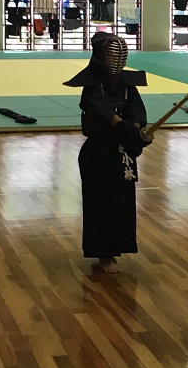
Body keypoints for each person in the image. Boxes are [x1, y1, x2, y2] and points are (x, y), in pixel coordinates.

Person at [64, 31, 152, 273]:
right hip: (99, 152)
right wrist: (123, 126)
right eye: (112, 55)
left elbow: (136, 110)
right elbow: (103, 110)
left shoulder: (127, 84)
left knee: (123, 202)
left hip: (122, 151)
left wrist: (136, 132)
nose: (117, 61)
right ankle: (103, 253)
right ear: (101, 57)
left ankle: (118, 247)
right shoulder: (92, 85)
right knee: (100, 203)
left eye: (120, 56)